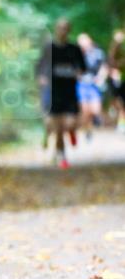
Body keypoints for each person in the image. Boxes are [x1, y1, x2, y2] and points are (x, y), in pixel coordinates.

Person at [36, 18, 86, 168]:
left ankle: (71, 132)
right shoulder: (49, 48)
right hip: (53, 92)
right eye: (60, 28)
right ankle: (61, 155)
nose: (62, 31)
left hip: (69, 92)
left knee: (70, 124)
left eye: (65, 28)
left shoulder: (74, 49)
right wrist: (41, 78)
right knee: (57, 127)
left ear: (69, 30)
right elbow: (39, 66)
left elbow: (82, 67)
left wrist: (78, 73)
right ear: (56, 29)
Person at [76, 33, 107, 138]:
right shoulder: (77, 54)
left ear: (90, 41)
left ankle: (94, 121)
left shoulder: (98, 53)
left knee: (95, 109)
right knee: (85, 110)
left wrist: (101, 78)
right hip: (81, 85)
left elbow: (104, 67)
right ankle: (88, 129)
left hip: (94, 84)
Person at [107, 29, 125, 133]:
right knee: (117, 102)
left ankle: (121, 123)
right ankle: (120, 122)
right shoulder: (113, 50)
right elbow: (111, 62)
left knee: (122, 103)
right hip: (116, 80)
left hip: (122, 79)